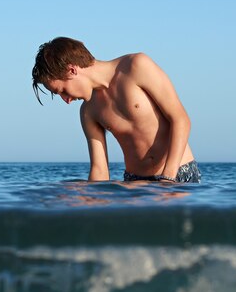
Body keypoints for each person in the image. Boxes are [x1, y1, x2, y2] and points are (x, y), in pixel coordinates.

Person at [32, 37, 200, 183]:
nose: (66, 100)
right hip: (135, 182)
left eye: (62, 91)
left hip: (178, 173)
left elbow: (180, 119)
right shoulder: (88, 112)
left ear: (72, 70)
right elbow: (100, 170)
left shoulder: (136, 67)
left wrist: (168, 178)